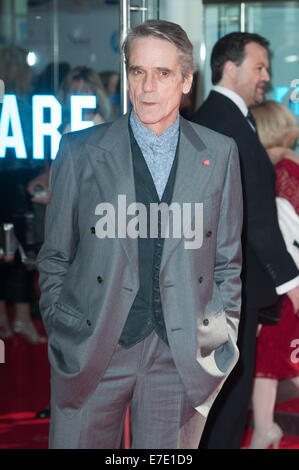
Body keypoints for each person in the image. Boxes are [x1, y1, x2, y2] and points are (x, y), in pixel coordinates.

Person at [37, 19, 243, 449]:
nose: (147, 86)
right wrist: (62, 325)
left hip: (180, 354)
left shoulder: (219, 153)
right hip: (92, 346)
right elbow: (55, 255)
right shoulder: (79, 152)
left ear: (186, 80)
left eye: (163, 73)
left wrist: (222, 331)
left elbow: (226, 261)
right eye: (137, 71)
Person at [192, 32, 299, 449]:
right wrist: (290, 283)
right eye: (260, 67)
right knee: (227, 397)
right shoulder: (223, 121)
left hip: (229, 287)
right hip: (228, 290)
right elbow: (253, 214)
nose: (266, 77)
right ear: (230, 68)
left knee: (227, 396)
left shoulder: (230, 117)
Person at [249, 100, 299, 449]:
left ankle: (265, 429)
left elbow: (280, 236)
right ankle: (264, 427)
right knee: (275, 362)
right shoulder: (294, 164)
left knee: (272, 360)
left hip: (287, 286)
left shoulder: (279, 172)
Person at [58, 66, 108, 133]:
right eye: (74, 92)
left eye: (85, 91)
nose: (79, 95)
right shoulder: (61, 126)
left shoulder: (102, 129)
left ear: (96, 95)